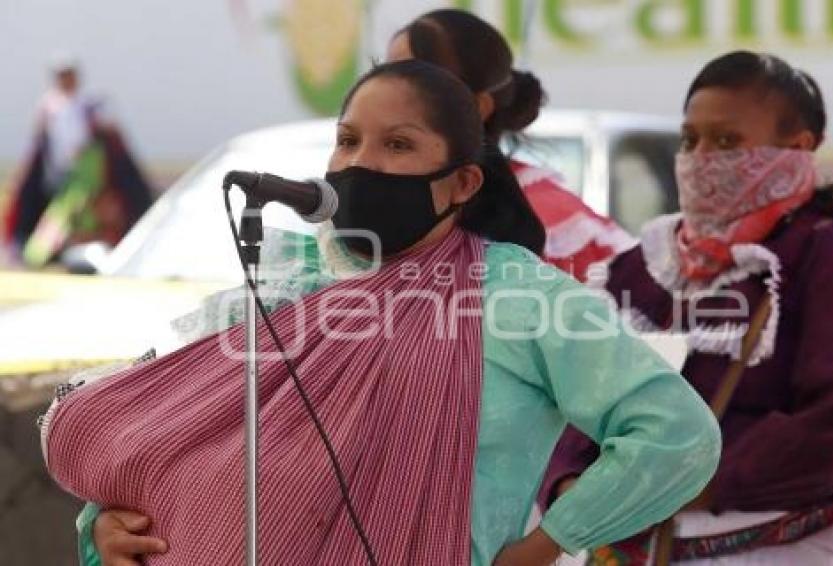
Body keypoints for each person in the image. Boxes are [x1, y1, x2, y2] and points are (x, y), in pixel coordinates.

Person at [43, 60, 721, 566]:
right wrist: (103, 528)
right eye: (347, 140)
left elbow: (675, 435)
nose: (361, 163)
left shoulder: (517, 296)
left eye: (398, 145)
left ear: (461, 182)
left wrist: (543, 548)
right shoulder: (289, 281)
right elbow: (182, 440)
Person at [544, 51, 833, 564]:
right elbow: (574, 395)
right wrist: (570, 484)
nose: (701, 156)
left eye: (727, 141)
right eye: (690, 140)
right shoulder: (640, 267)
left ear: (797, 150)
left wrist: (682, 484)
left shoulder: (830, 258)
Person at [386, 9, 636, 281]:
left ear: (475, 107)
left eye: (411, 81)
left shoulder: (552, 222)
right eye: (382, 75)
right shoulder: (370, 202)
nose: (379, 94)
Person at [2, 55, 152, 267]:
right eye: (61, 76)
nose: (65, 80)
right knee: (59, 218)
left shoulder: (92, 104)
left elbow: (110, 141)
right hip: (61, 179)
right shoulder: (48, 106)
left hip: (91, 178)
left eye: (68, 75)